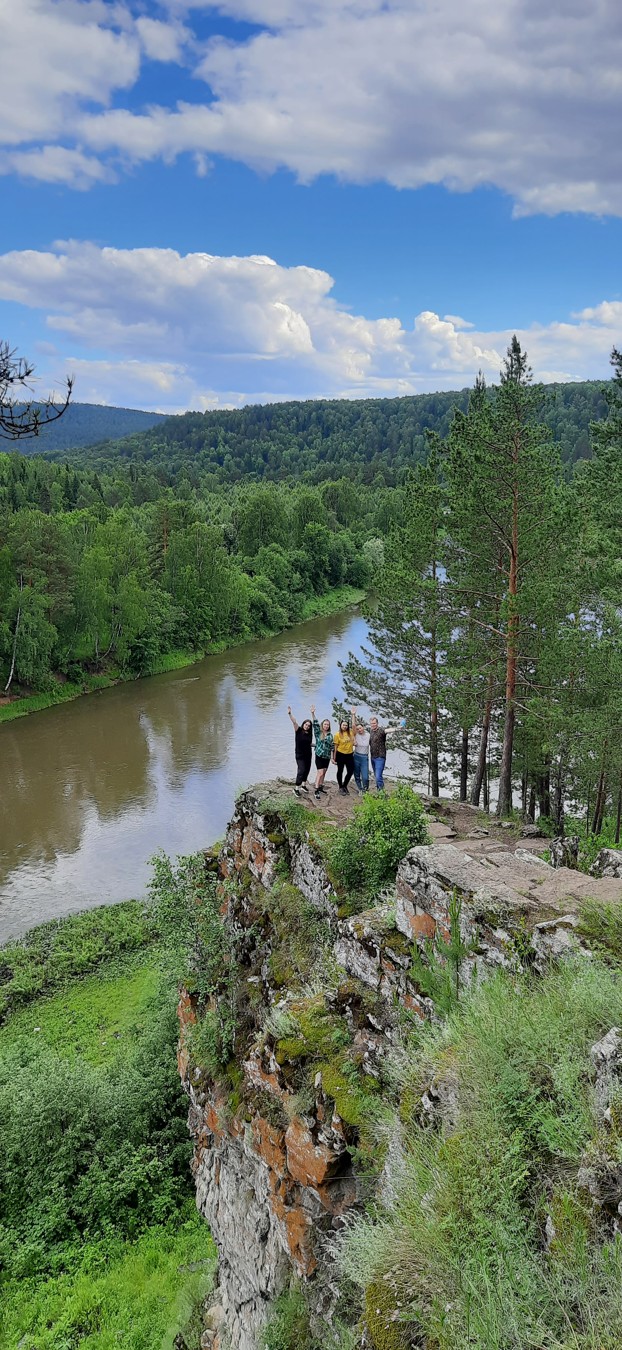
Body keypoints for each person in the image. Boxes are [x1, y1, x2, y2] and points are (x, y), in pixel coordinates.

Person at [287, 706, 313, 794]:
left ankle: (303, 785)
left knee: (307, 770)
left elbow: (309, 743)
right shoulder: (298, 730)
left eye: (309, 726)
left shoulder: (309, 734)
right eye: (306, 725)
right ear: (303, 724)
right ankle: (296, 788)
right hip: (300, 755)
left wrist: (317, 745)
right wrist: (290, 714)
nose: (307, 726)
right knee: (301, 770)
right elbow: (294, 722)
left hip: (308, 754)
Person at [369, 716, 399, 791]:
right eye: (372, 723)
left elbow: (388, 730)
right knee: (376, 776)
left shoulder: (381, 730)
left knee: (378, 776)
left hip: (380, 757)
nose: (373, 725)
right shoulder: (371, 731)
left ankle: (382, 793)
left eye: (374, 723)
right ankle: (379, 791)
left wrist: (397, 729)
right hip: (373, 757)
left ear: (377, 723)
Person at [311, 704, 333, 799]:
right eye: (325, 724)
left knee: (324, 772)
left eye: (328, 724)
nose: (326, 726)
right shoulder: (318, 733)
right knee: (320, 772)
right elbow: (315, 724)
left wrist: (333, 757)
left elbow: (332, 746)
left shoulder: (330, 735)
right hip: (319, 755)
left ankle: (320, 786)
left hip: (327, 756)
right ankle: (316, 790)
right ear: (322, 725)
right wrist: (313, 713)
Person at [332, 714, 355, 795]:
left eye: (346, 725)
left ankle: (345, 785)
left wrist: (353, 715)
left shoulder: (351, 733)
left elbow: (354, 725)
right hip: (340, 754)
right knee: (340, 771)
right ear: (340, 725)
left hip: (349, 755)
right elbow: (335, 747)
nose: (345, 726)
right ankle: (340, 787)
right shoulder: (337, 734)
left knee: (350, 771)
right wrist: (334, 758)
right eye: (343, 725)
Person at [352, 709, 370, 792]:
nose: (359, 730)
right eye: (358, 729)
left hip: (364, 757)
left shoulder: (368, 735)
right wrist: (353, 715)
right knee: (357, 775)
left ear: (363, 727)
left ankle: (365, 789)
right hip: (356, 756)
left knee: (365, 776)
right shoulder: (356, 735)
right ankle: (360, 789)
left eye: (360, 728)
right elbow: (353, 725)